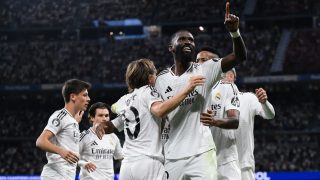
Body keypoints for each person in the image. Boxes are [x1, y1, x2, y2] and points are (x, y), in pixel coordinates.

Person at [154, 1, 247, 179]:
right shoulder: (161, 79)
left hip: (202, 154)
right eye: (182, 39)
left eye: (191, 40)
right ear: (171, 48)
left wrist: (234, 32)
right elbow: (158, 115)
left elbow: (240, 56)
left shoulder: (206, 69)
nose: (188, 42)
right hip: (172, 156)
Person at [97, 59, 205, 180]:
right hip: (148, 162)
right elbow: (159, 110)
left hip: (127, 166)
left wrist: (101, 125)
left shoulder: (125, 100)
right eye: (155, 74)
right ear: (150, 78)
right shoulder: (148, 91)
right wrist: (187, 89)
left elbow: (112, 126)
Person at [198, 49, 242, 180]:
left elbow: (235, 121)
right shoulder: (189, 89)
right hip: (200, 163)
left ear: (215, 63)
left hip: (225, 162)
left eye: (203, 60)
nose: (199, 64)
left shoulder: (228, 87)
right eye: (197, 60)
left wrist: (214, 121)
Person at [36, 79, 91, 180]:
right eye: (85, 95)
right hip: (54, 176)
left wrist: (75, 122)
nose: (88, 99)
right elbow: (40, 141)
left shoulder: (72, 121)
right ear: (73, 97)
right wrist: (61, 151)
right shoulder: (60, 116)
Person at [78, 102, 123, 180]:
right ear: (92, 118)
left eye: (106, 115)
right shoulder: (84, 137)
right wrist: (83, 163)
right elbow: (72, 158)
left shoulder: (113, 137)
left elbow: (121, 157)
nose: (104, 118)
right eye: (100, 115)